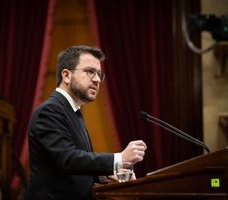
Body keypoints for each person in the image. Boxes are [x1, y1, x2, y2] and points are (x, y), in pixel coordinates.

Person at [26, 45, 147, 200]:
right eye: (90, 72)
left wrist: (106, 173)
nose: (97, 80)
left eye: (99, 74)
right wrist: (119, 159)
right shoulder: (49, 110)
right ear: (66, 75)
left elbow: (75, 165)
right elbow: (68, 159)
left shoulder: (73, 111)